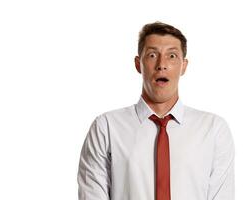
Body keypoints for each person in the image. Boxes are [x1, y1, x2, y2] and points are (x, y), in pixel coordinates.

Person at [77, 21, 235, 200]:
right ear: (138, 64)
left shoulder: (213, 129)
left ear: (184, 66)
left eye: (172, 56)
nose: (162, 64)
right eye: (152, 55)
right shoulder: (106, 127)